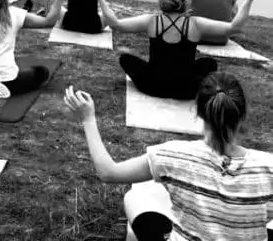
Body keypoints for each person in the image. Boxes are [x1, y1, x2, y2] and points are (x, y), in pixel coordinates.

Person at [64, 72, 273, 241]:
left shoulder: (174, 155)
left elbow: (109, 172)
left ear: (198, 112)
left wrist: (88, 118)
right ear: (243, 115)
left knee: (134, 197)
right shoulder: (268, 165)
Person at [95, 0, 263, 100]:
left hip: (153, 85)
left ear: (162, 0)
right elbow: (234, 28)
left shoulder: (151, 21)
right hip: (187, 89)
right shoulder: (196, 24)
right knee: (209, 63)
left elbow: (115, 24)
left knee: (126, 59)